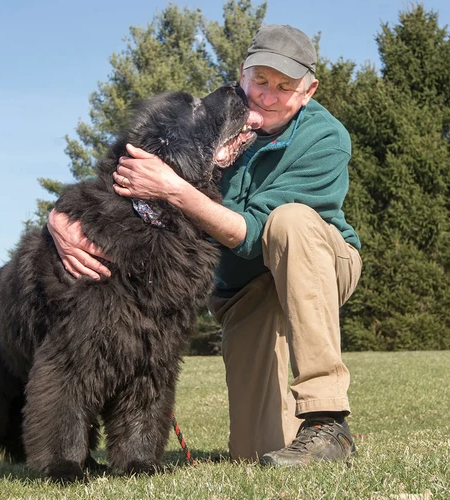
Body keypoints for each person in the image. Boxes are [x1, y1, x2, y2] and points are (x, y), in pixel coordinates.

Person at [47, 24, 362, 467]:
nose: (267, 96)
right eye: (261, 81)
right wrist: (58, 217)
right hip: (245, 290)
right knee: (256, 454)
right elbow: (117, 170)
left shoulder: (325, 139)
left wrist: (174, 190)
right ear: (243, 72)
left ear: (308, 91)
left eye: (284, 87)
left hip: (317, 264)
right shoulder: (213, 113)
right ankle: (295, 438)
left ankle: (327, 420)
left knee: (289, 222)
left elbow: (252, 234)